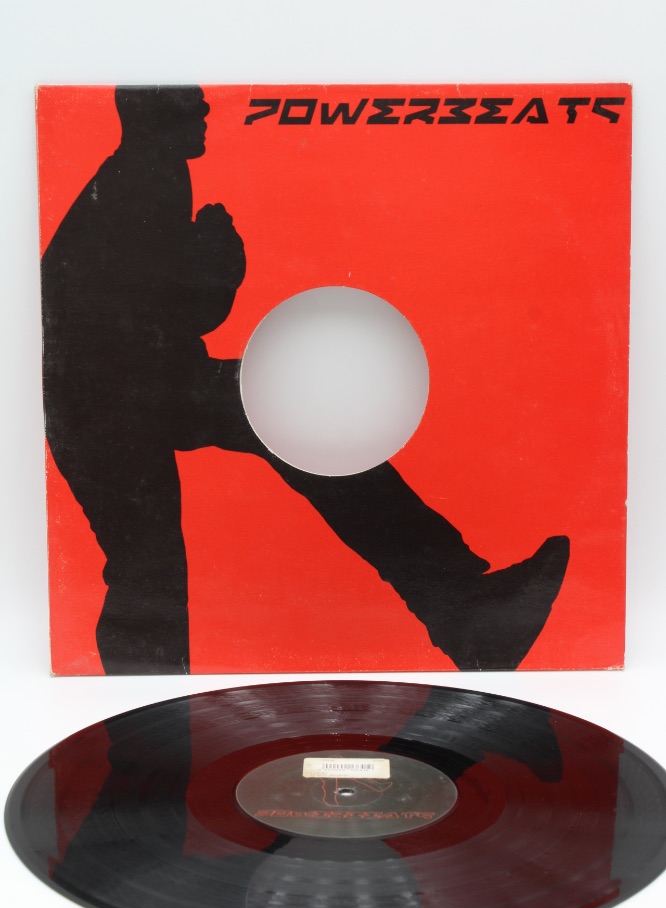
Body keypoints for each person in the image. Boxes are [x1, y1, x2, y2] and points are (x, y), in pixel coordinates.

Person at [41, 85, 569, 675]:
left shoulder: (148, 174)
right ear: (152, 114)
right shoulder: (141, 179)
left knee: (166, 553)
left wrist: (208, 270)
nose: (205, 109)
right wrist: (217, 269)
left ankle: (469, 616)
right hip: (106, 402)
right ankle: (468, 615)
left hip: (128, 390)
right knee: (152, 567)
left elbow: (159, 321)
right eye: (191, 102)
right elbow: (155, 322)